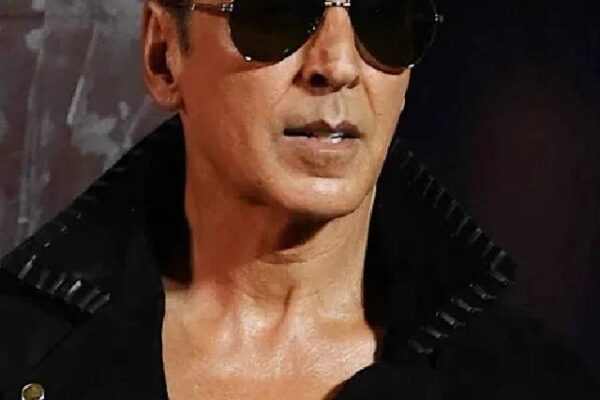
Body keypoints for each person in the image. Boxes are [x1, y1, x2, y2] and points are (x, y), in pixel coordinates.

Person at [0, 0, 598, 399]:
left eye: (384, 17)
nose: (337, 65)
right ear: (164, 56)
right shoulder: (21, 350)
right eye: (274, 14)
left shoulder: (531, 382)